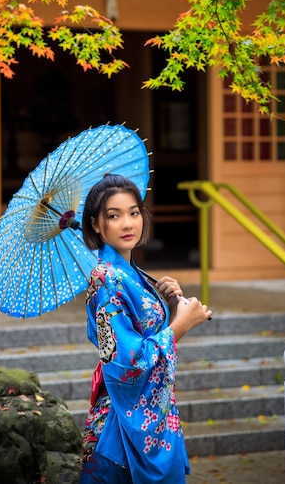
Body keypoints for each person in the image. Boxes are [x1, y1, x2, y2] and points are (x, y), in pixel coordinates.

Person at [79, 173, 213, 484]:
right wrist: (180, 325)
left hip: (141, 410)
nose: (128, 224)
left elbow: (139, 331)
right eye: (114, 216)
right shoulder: (105, 279)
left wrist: (162, 302)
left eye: (134, 212)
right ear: (97, 224)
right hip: (121, 422)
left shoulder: (131, 273)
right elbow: (127, 361)